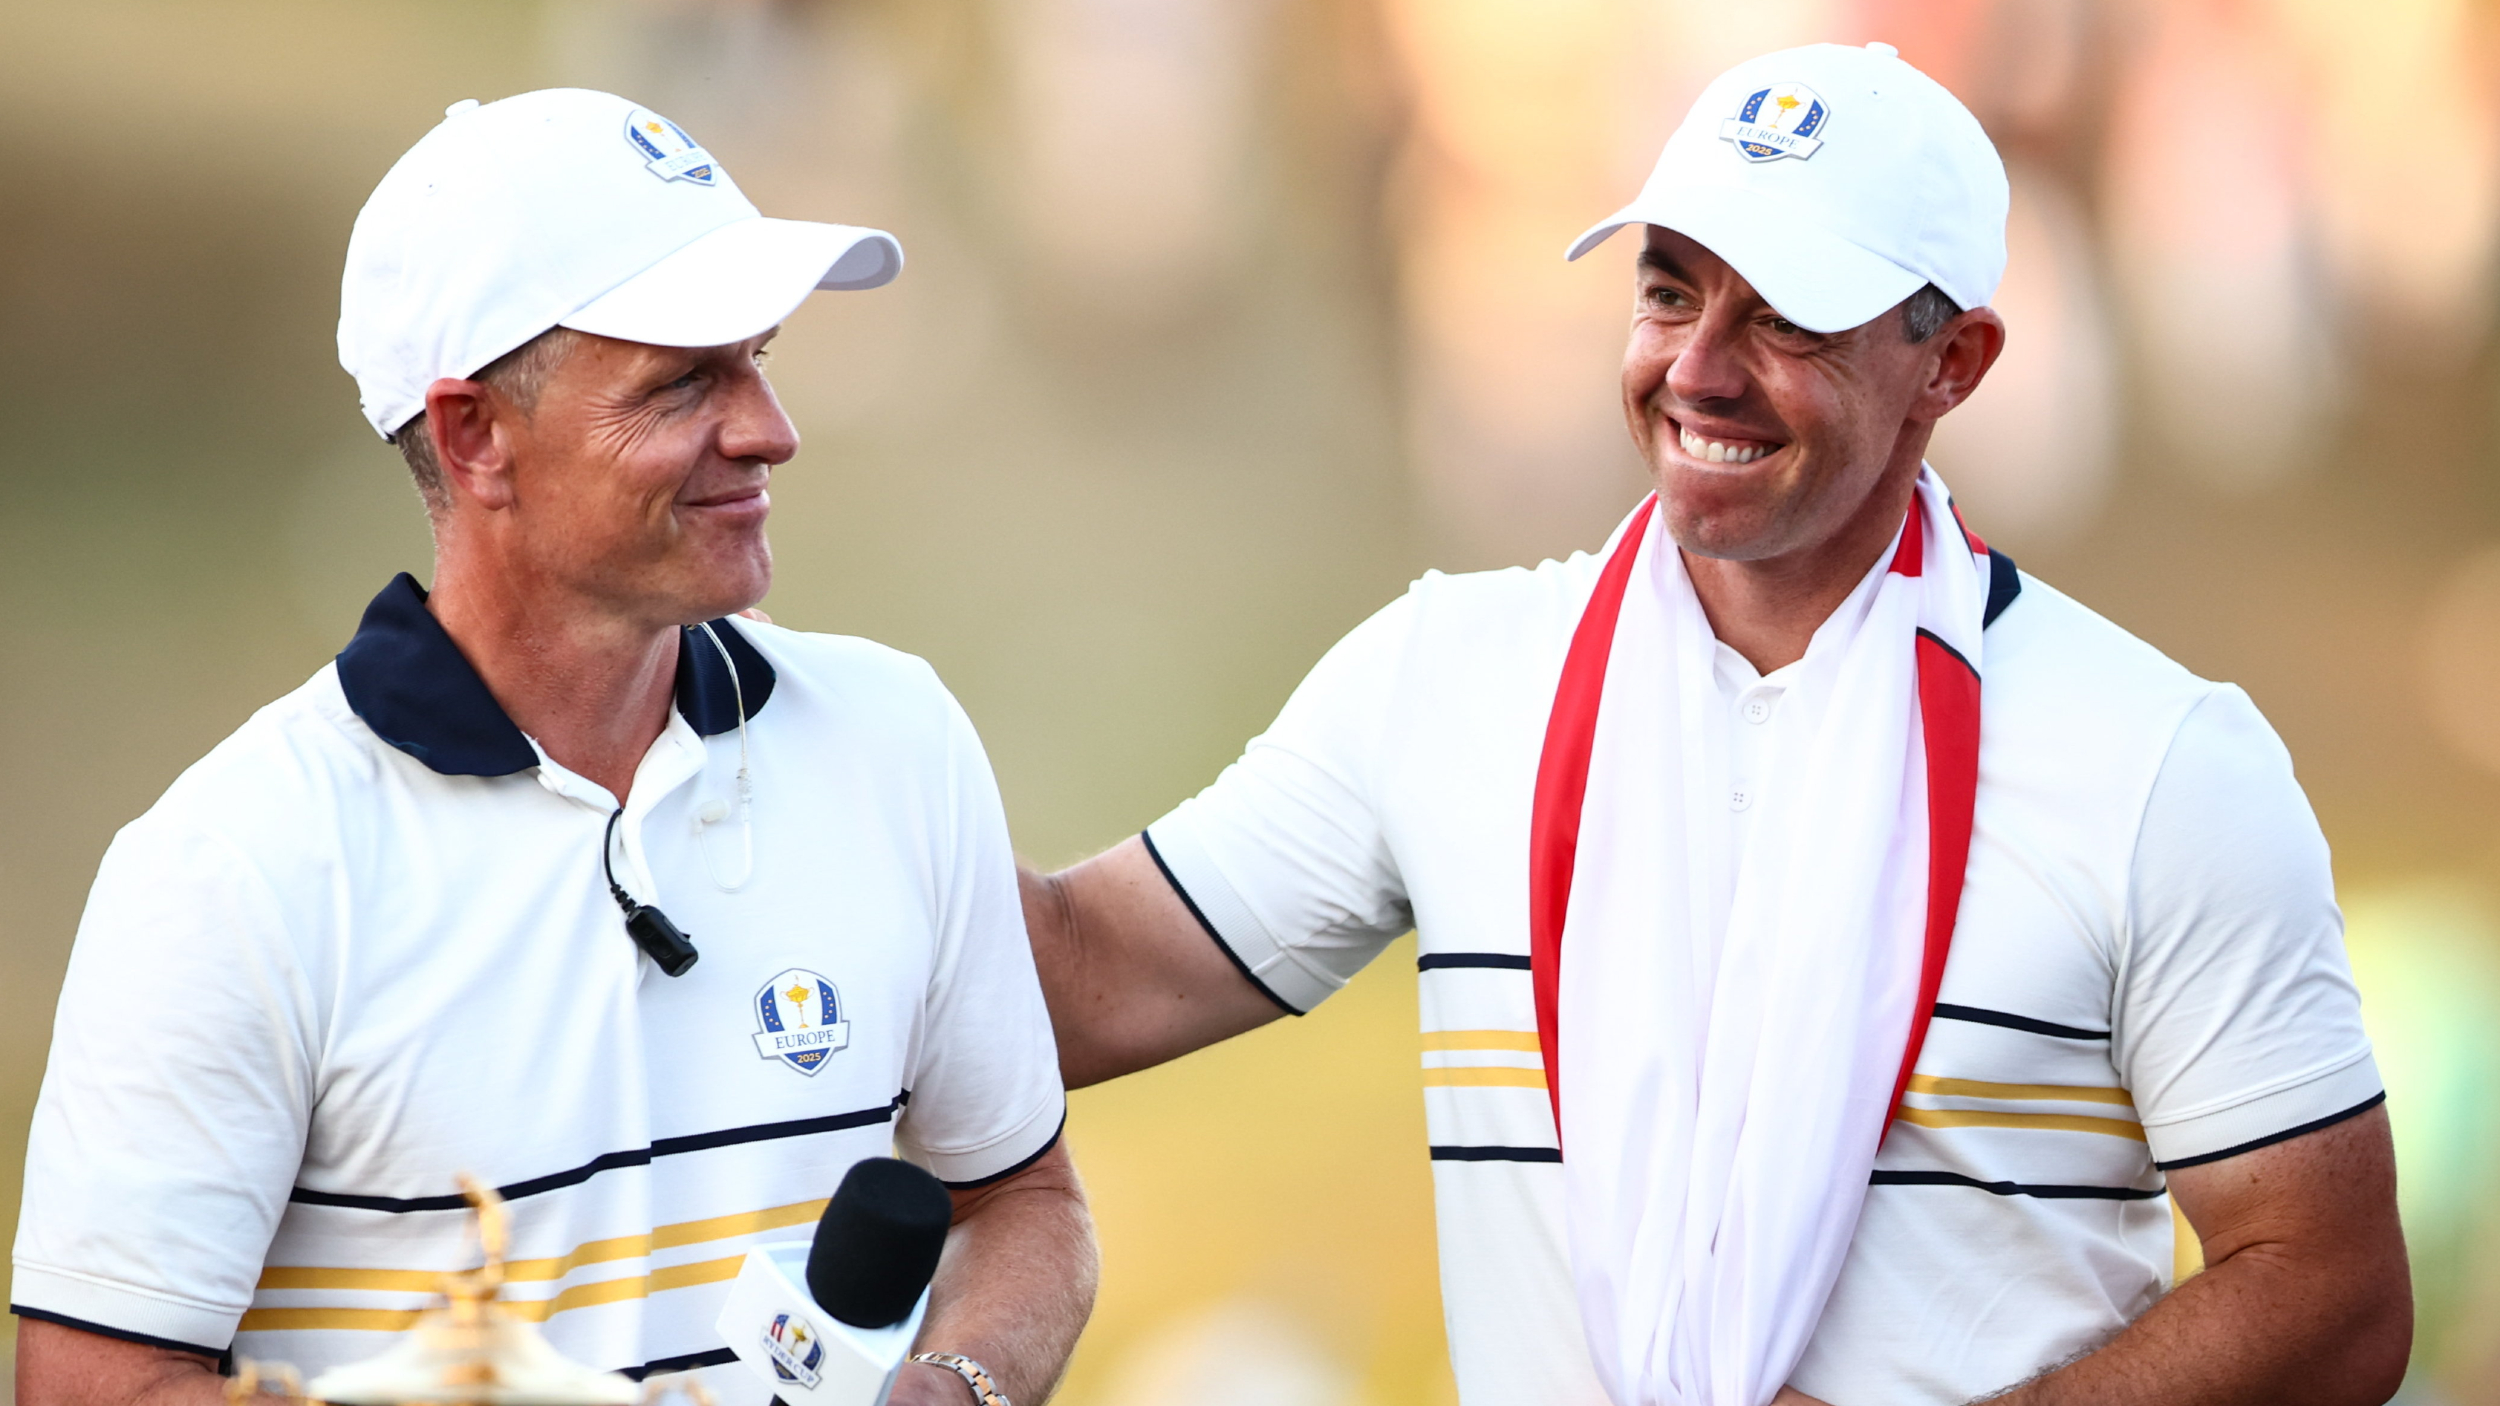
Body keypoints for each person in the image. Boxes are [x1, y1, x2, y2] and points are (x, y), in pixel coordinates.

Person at [1021, 42, 2409, 1406]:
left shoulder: (2161, 762)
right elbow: (1086, 973)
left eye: (1787, 316)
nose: (1700, 369)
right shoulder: (1444, 677)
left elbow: (2332, 1291)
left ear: (1955, 363)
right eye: (1670, 292)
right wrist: (819, 733)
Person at [11, 90, 1091, 1406]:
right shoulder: (236, 867)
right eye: (685, 380)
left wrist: (958, 1383)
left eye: (760, 358)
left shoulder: (898, 738)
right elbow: (90, 1384)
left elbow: (1025, 1200)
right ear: (474, 438)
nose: (769, 428)